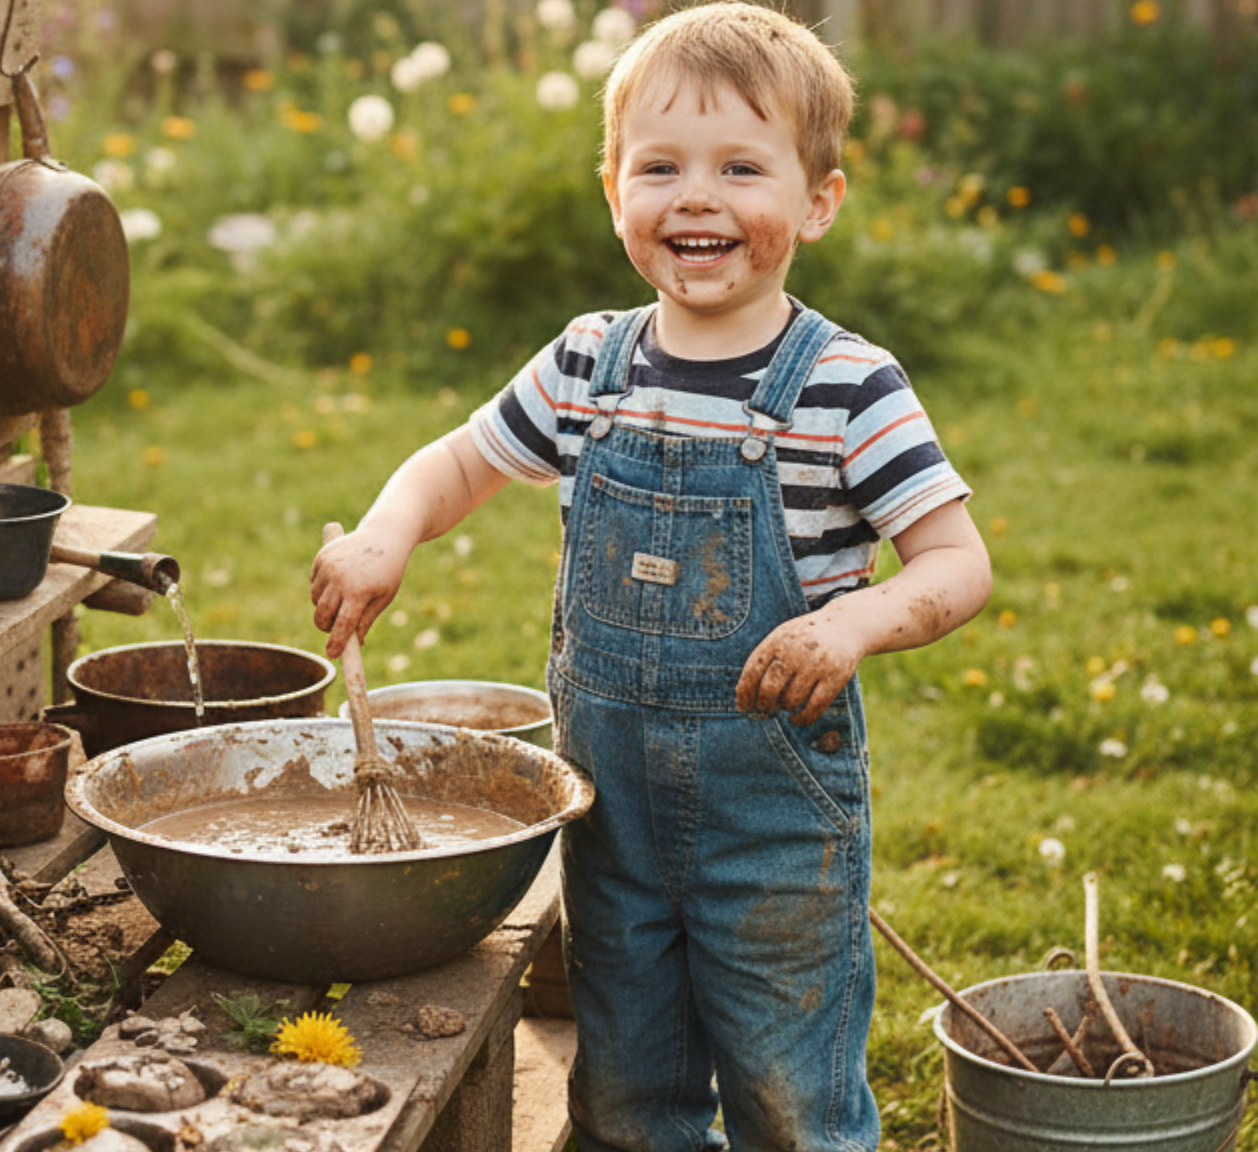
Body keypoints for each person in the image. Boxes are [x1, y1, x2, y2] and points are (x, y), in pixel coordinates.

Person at [309, 5, 992, 1149]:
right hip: (610, 818)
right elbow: (459, 463)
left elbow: (955, 562)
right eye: (659, 166)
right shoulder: (588, 363)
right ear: (612, 189)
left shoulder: (846, 387)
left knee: (788, 1090)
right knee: (624, 1086)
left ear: (817, 200)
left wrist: (853, 625)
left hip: (772, 830)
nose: (695, 198)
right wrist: (385, 536)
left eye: (740, 167)